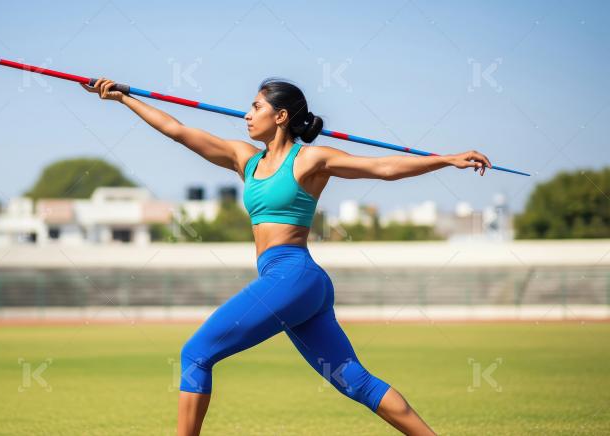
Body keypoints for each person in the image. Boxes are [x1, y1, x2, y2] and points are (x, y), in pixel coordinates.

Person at [82, 76, 492, 435]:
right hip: (297, 284)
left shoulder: (311, 159)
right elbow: (177, 129)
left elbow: (382, 168)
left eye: (256, 106)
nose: (247, 114)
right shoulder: (246, 159)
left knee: (196, 353)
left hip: (293, 276)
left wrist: (446, 159)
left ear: (280, 116)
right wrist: (124, 98)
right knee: (355, 382)